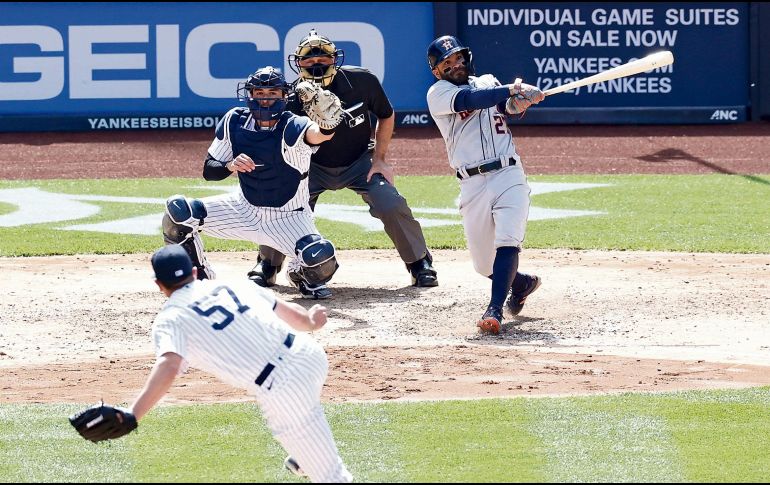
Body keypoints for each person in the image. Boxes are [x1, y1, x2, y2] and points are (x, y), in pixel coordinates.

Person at [122, 245, 352, 482]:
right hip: (309, 355)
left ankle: (309, 454)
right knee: (306, 420)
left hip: (282, 387)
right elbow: (292, 315)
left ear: (159, 284)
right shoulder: (231, 285)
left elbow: (169, 366)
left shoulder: (170, 319)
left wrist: (132, 415)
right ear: (194, 272)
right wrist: (311, 321)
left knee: (332, 477)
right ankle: (306, 454)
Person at [249, 29, 439, 289]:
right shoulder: (291, 97)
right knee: (280, 204)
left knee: (389, 201)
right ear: (298, 63)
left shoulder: (361, 81)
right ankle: (268, 264)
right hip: (309, 167)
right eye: (309, 59)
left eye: (322, 58)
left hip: (359, 161)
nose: (316, 64)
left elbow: (386, 114)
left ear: (334, 59)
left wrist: (380, 159)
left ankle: (419, 262)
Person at [162, 66, 341, 299]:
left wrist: (329, 125)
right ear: (250, 95)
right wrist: (230, 165)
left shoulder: (294, 124)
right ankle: (197, 282)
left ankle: (299, 274)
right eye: (259, 93)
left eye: (272, 93)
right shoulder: (234, 121)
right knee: (179, 213)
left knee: (320, 259)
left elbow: (319, 134)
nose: (265, 99)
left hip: (289, 217)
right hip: (243, 209)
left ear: (284, 96)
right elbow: (209, 170)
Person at [426, 35, 544, 334]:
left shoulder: (488, 81)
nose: (456, 65)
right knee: (483, 265)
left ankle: (494, 310)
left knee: (507, 239)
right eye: (447, 62)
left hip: (508, 173)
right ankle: (521, 283)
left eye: (458, 58)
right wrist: (513, 89)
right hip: (472, 182)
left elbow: (504, 106)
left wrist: (520, 101)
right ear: (437, 71)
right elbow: (471, 100)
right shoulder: (438, 93)